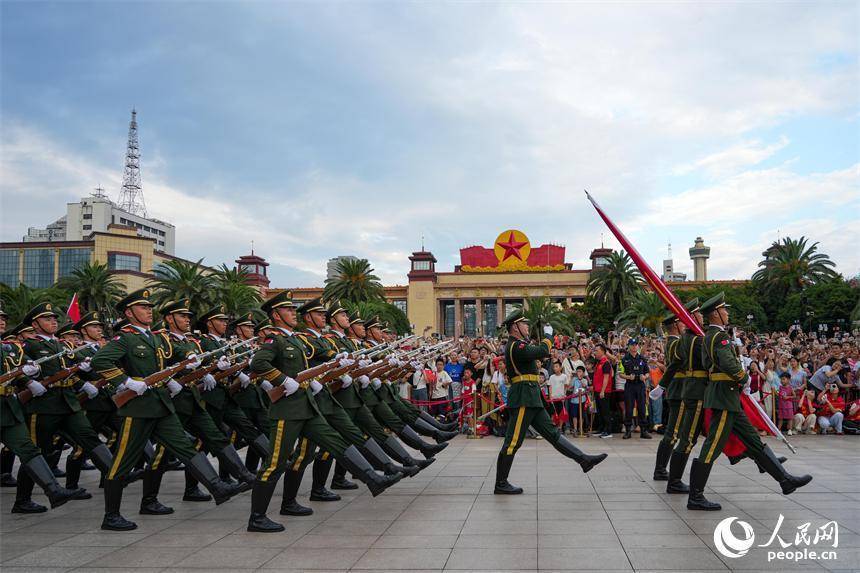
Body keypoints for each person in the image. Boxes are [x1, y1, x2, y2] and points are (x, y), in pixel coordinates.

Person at [246, 292, 401, 532]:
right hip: (287, 411)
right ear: (276, 315)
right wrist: (282, 380)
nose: (293, 313)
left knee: (335, 441)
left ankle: (372, 478)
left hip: (307, 406)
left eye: (293, 309)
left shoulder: (296, 340)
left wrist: (336, 359)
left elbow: (313, 359)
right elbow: (257, 364)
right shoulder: (275, 340)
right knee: (275, 463)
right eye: (288, 310)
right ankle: (257, 518)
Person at [92, 289, 245, 530]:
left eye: (149, 307)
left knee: (185, 446)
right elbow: (99, 361)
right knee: (123, 461)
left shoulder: (155, 338)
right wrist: (126, 381)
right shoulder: (126, 338)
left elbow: (172, 356)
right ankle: (111, 515)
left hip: (161, 404)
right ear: (129, 312)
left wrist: (191, 358)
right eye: (143, 307)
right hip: (139, 409)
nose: (149, 311)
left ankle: (217, 486)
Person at [687, 293, 812, 512]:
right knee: (711, 446)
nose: (727, 313)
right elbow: (727, 362)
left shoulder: (712, 336)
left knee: (754, 441)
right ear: (715, 314)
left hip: (728, 397)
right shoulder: (718, 337)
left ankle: (785, 480)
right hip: (724, 397)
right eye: (724, 310)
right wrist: (743, 378)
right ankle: (695, 496)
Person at [14, 303, 116, 514]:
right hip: (44, 406)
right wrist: (28, 382)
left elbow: (75, 368)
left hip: (69, 402)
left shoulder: (63, 345)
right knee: (37, 451)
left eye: (54, 318)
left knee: (89, 437)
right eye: (47, 319)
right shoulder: (28, 345)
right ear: (35, 324)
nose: (53, 322)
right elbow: (15, 368)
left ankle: (116, 473)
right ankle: (22, 500)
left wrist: (86, 368)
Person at [493, 310, 606, 495]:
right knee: (512, 442)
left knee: (553, 434)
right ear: (515, 327)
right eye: (524, 324)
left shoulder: (520, 344)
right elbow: (542, 351)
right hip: (523, 398)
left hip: (531, 398)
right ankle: (500, 483)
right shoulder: (515, 346)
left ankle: (583, 460)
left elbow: (536, 360)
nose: (527, 326)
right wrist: (547, 336)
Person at [0, 305, 83, 512]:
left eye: (3, 318)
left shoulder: (9, 348)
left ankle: (53, 491)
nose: (2, 321)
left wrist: (29, 376)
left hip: (7, 407)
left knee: (28, 449)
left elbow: (22, 370)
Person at [652, 308, 689, 486]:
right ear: (675, 325)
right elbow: (676, 366)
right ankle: (660, 469)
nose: (684, 325)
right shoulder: (675, 343)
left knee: (674, 433)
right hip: (679, 390)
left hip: (677, 390)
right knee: (673, 433)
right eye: (681, 322)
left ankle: (661, 469)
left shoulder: (672, 342)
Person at [621, 338, 651, 440]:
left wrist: (645, 377)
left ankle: (643, 431)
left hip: (640, 385)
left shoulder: (642, 358)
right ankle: (628, 430)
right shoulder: (624, 359)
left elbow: (647, 372)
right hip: (630, 385)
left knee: (642, 408)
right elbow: (620, 373)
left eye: (636, 345)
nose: (634, 346)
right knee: (629, 408)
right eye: (632, 345)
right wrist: (628, 377)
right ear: (629, 346)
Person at [593, 344, 614, 438]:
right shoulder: (599, 362)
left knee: (605, 412)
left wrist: (602, 391)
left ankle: (608, 431)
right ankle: (601, 429)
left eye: (597, 350)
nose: (595, 352)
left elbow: (606, 378)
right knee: (600, 411)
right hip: (597, 390)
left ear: (602, 351)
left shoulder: (606, 363)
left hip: (604, 391)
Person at [546, 361, 569, 432]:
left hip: (561, 398)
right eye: (554, 367)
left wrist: (564, 395)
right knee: (553, 413)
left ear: (560, 368)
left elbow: (566, 386)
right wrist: (550, 396)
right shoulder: (552, 377)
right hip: (553, 398)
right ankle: (553, 427)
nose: (555, 368)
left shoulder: (564, 376)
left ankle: (560, 427)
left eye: (556, 366)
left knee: (561, 413)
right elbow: (550, 387)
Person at [567, 366, 588, 436]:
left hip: (582, 400)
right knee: (574, 415)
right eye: (577, 371)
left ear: (583, 373)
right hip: (574, 400)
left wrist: (582, 383)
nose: (578, 373)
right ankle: (575, 429)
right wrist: (571, 378)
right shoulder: (574, 379)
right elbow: (569, 387)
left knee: (582, 415)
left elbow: (586, 388)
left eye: (580, 371)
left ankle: (580, 428)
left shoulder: (585, 380)